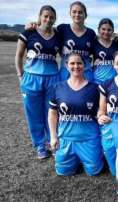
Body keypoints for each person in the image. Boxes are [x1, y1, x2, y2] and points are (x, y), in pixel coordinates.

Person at [15, 5, 61, 159]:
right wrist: (20, 75)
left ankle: (52, 143)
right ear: (40, 17)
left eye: (51, 17)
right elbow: (19, 55)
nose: (48, 19)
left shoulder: (58, 36)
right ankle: (40, 146)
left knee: (51, 112)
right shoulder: (29, 32)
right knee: (33, 114)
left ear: (55, 19)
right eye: (45, 16)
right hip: (31, 78)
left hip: (52, 78)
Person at [48, 53, 103, 176]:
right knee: (63, 172)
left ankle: (87, 155)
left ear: (85, 65)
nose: (76, 66)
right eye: (72, 63)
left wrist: (100, 113)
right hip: (66, 139)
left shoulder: (95, 88)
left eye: (79, 63)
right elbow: (52, 114)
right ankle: (74, 158)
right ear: (66, 65)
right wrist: (53, 136)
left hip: (88, 139)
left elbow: (101, 110)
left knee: (94, 171)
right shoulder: (57, 87)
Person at [92, 18, 118, 84]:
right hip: (97, 81)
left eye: (109, 30)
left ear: (113, 30)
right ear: (98, 30)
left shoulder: (116, 44)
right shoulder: (94, 43)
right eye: (103, 29)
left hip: (114, 82)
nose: (106, 32)